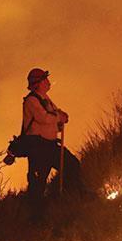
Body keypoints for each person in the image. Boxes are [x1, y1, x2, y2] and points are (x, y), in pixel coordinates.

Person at [22, 68, 85, 207]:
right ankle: (36, 218)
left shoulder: (45, 98)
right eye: (45, 79)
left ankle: (74, 197)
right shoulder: (31, 101)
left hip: (50, 145)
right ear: (38, 83)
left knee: (72, 164)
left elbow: (53, 115)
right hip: (38, 148)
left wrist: (60, 120)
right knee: (38, 183)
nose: (48, 82)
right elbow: (43, 118)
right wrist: (59, 118)